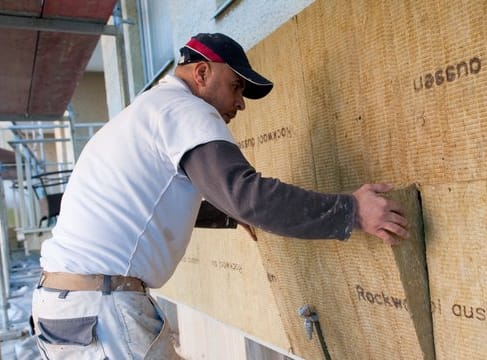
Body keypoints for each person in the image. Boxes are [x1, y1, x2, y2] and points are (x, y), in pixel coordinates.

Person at [31, 33, 409, 359]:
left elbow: (158, 198)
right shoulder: (185, 109)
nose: (241, 103)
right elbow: (249, 196)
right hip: (101, 311)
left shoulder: (145, 113)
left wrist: (231, 214)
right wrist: (352, 211)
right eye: (236, 87)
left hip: (63, 307)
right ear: (202, 73)